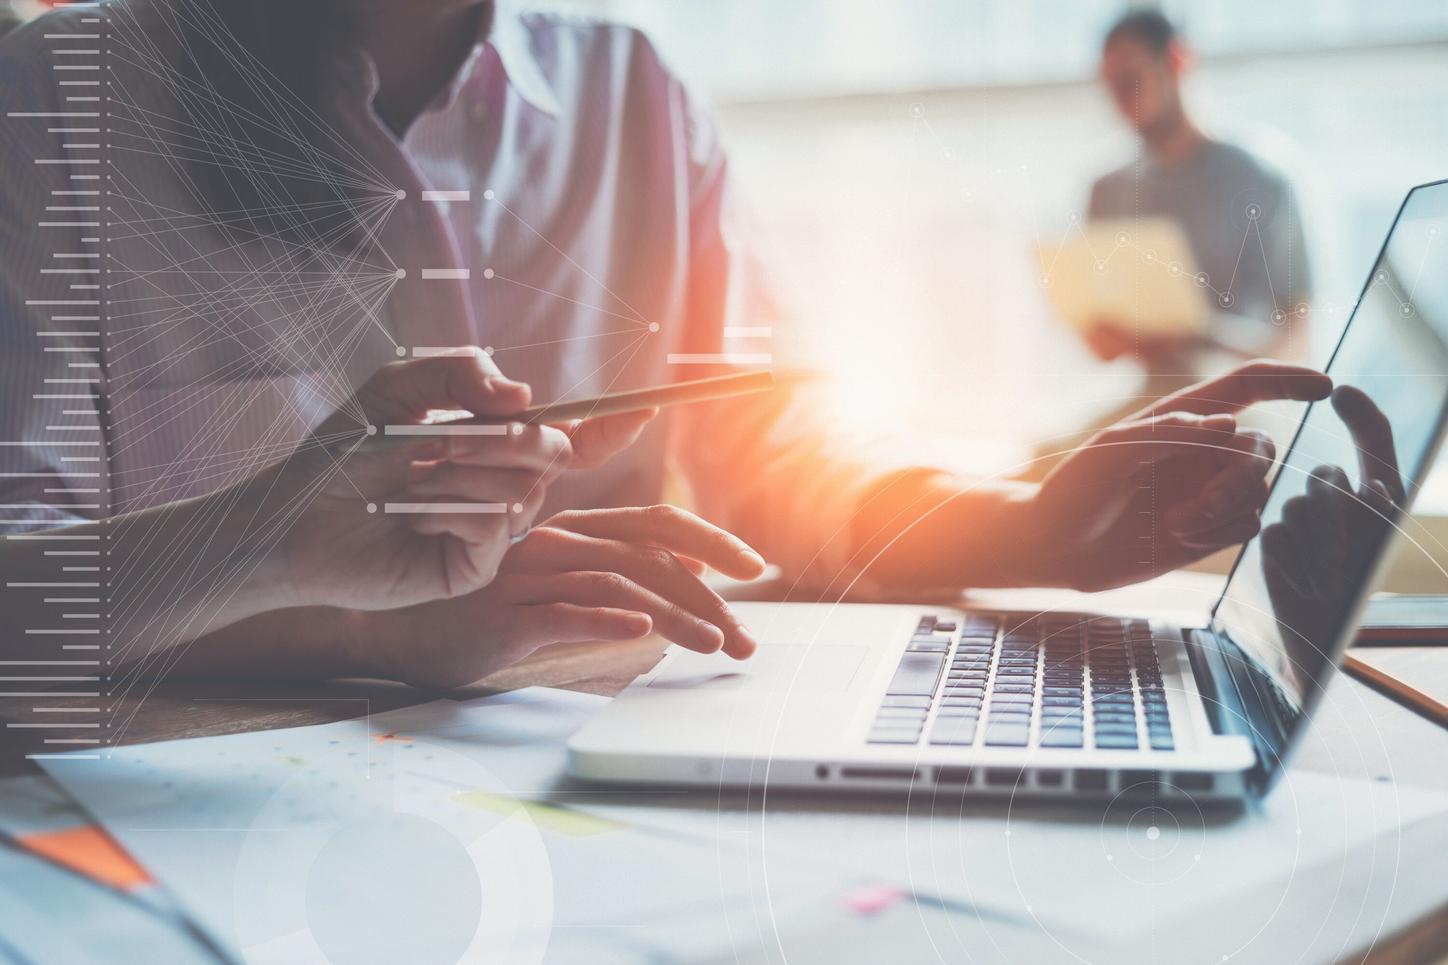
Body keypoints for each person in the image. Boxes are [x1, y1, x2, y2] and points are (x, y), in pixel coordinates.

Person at [0, 0, 1332, 692]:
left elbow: (779, 460)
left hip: (605, 813)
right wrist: (344, 602)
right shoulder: (57, 104)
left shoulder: (631, 95)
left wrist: (1018, 528)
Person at [1080, 8, 1313, 419]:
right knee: (1042, 466)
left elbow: (1297, 336)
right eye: (1110, 84)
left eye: (1131, 79)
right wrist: (1111, 337)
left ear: (1177, 62)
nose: (1119, 98)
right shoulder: (1107, 191)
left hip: (1242, 402)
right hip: (1146, 398)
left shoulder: (1262, 179)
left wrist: (1204, 339)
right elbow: (1099, 343)